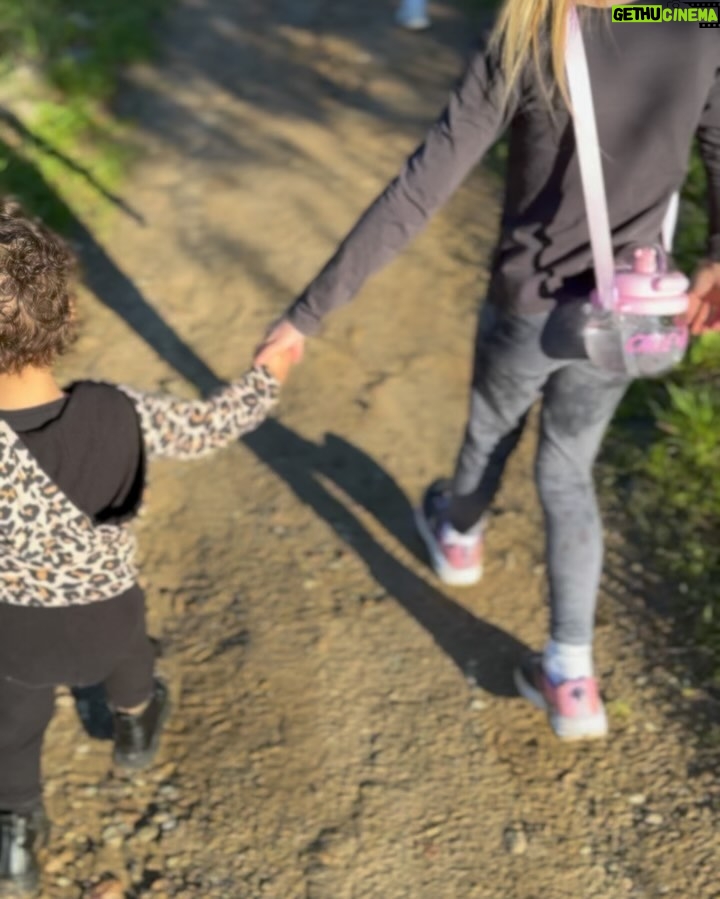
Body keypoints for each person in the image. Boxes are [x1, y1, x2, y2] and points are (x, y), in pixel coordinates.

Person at [255, 0, 720, 741]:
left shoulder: (532, 29)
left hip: (530, 306)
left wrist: (308, 313)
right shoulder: (695, 17)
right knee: (570, 470)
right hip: (635, 308)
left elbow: (421, 186)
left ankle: (460, 532)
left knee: (493, 423)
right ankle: (572, 675)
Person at [0, 200, 296, 895]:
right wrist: (270, 374)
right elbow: (208, 427)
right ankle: (133, 731)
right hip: (108, 623)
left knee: (13, 725)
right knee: (135, 662)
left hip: (13, 637)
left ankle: (14, 839)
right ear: (65, 316)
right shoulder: (119, 412)